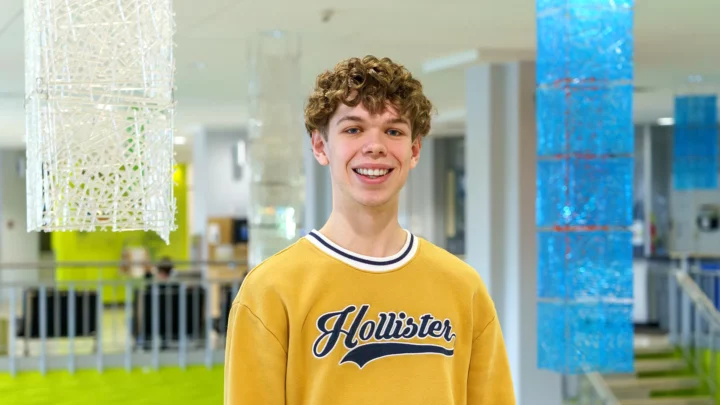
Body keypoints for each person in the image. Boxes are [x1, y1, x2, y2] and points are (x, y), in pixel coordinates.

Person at [224, 55, 515, 405]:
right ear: (320, 146)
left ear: (414, 150)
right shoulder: (270, 290)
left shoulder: (463, 288)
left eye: (393, 131)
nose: (375, 146)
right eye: (353, 129)